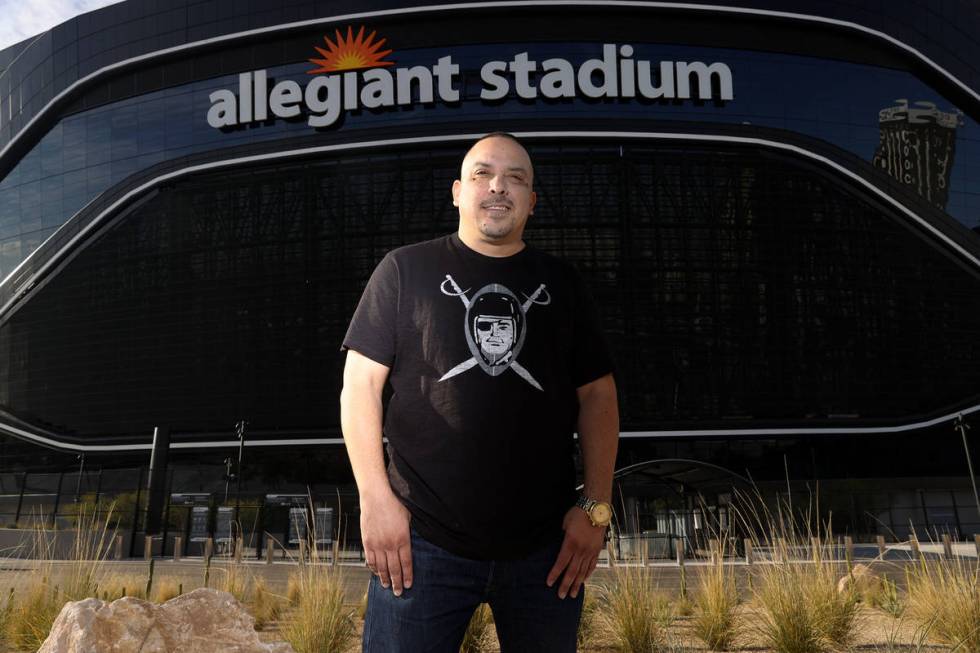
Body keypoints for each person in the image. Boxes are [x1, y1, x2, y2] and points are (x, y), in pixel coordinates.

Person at [340, 132, 619, 652]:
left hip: (547, 551)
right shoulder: (404, 270)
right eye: (483, 174)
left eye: (516, 178)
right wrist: (375, 500)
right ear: (456, 192)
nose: (499, 187)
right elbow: (359, 386)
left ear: (532, 202)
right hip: (420, 545)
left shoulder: (563, 283)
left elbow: (598, 397)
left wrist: (595, 508)